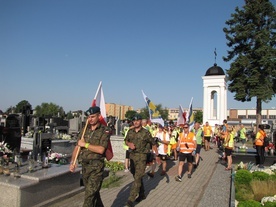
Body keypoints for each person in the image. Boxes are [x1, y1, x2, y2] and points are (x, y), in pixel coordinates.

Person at [69, 106, 111, 207]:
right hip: (85, 166)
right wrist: (72, 162)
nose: (90, 119)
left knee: (89, 197)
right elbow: (77, 146)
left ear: (99, 116)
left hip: (96, 168)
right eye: (88, 117)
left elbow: (101, 149)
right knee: (94, 194)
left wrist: (86, 145)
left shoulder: (104, 130)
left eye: (92, 117)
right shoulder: (85, 130)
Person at [124, 114, 159, 207]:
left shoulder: (146, 133)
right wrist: (129, 144)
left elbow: (153, 143)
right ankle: (142, 193)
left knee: (138, 177)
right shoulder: (130, 131)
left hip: (142, 157)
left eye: (137, 120)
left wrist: (157, 155)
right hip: (132, 157)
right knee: (136, 176)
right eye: (134, 121)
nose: (135, 122)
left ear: (141, 122)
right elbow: (126, 140)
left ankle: (130, 199)